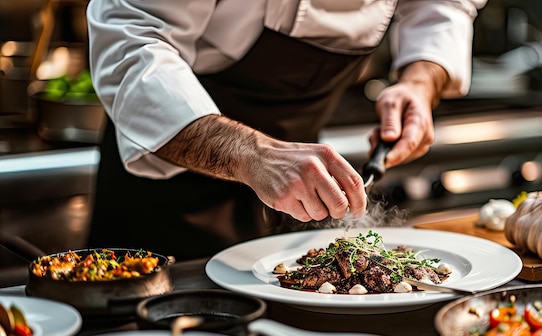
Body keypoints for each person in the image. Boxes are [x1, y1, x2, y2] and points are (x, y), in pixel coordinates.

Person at [85, 0, 487, 261]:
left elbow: (444, 3)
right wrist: (251, 155)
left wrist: (421, 79)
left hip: (293, 192)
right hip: (165, 187)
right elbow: (130, 39)